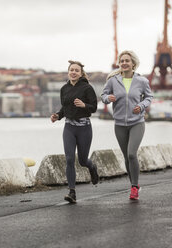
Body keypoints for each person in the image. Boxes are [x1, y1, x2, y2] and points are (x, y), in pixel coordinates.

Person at [101, 50, 153, 200]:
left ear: (133, 64)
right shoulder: (113, 81)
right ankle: (133, 185)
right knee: (126, 157)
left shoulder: (142, 81)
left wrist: (142, 105)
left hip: (137, 122)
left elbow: (149, 97)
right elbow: (103, 95)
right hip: (119, 124)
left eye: (127, 61)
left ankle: (135, 186)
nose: (124, 63)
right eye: (122, 61)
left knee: (131, 154)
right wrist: (107, 98)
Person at [51, 60, 99, 204]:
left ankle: (92, 167)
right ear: (68, 72)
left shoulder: (87, 88)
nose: (73, 72)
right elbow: (64, 109)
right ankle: (72, 192)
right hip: (69, 128)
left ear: (80, 73)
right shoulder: (64, 89)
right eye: (71, 70)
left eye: (76, 70)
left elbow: (94, 107)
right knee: (70, 158)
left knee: (83, 160)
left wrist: (84, 105)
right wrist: (57, 116)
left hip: (84, 127)